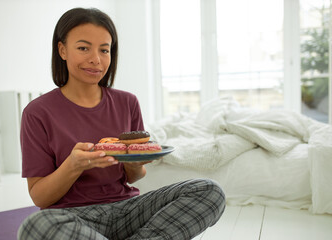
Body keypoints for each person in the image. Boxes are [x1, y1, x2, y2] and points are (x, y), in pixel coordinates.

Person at [17, 7, 225, 240]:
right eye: (83, 48)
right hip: (72, 218)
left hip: (128, 210)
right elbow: (40, 197)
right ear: (62, 50)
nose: (96, 59)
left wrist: (136, 163)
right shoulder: (37, 112)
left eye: (104, 50)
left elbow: (132, 177)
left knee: (209, 190)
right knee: (34, 225)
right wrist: (73, 165)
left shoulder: (127, 102)